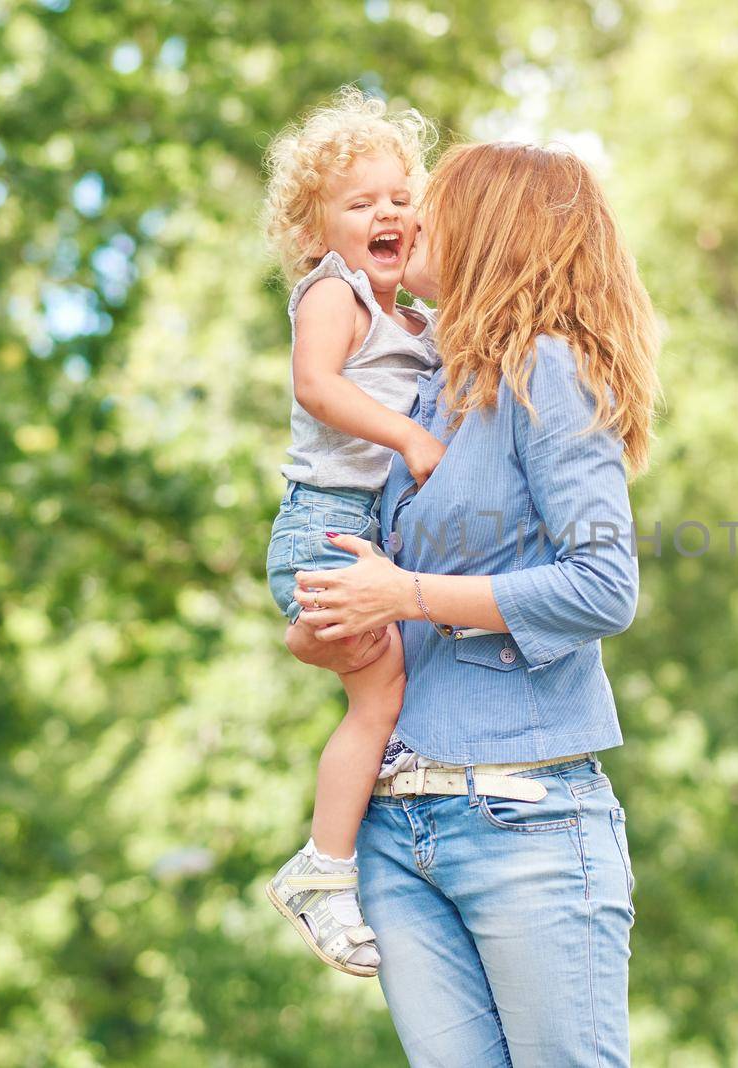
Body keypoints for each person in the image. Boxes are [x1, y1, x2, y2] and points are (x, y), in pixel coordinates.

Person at [285, 141, 660, 1066]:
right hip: (397, 831)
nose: (411, 219)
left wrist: (405, 591)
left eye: (431, 202)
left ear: (489, 229)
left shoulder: (551, 370)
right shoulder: (426, 391)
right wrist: (331, 623)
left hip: (524, 821)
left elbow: (605, 585)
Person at [256, 87, 444, 977]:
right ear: (315, 230)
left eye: (399, 198)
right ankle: (322, 873)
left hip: (372, 539)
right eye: (360, 202)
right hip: (326, 527)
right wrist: (409, 434)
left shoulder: (415, 318)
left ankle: (342, 863)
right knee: (379, 698)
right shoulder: (332, 294)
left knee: (387, 698)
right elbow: (318, 388)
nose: (386, 213)